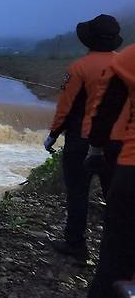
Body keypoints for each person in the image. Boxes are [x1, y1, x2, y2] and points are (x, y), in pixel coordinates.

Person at [44, 14, 125, 259]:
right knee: (117, 196)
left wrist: (53, 134)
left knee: (78, 193)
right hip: (119, 143)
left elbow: (65, 108)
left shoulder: (78, 68)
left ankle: (76, 244)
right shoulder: (126, 66)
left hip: (82, 140)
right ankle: (118, 250)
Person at [85, 44, 135, 298]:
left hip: (131, 167)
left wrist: (95, 149)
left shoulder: (128, 58)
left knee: (116, 254)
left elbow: (106, 111)